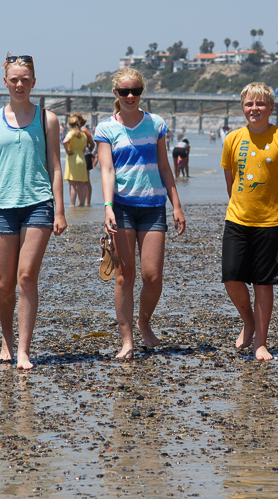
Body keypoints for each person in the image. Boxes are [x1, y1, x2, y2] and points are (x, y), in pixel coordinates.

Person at [0, 54, 66, 370]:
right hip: (3, 208)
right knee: (4, 282)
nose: (20, 84)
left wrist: (60, 210)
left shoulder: (47, 119)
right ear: (5, 83)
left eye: (25, 79)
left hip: (39, 205)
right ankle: (6, 340)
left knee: (26, 276)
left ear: (34, 82)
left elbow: (55, 166)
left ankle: (23, 349)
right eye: (14, 79)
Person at [95, 68, 185, 360]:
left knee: (153, 276)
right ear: (115, 94)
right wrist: (107, 206)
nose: (130, 96)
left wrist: (177, 205)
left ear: (141, 92)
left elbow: (164, 167)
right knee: (125, 276)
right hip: (120, 207)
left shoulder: (156, 124)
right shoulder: (105, 129)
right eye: (124, 92)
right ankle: (127, 340)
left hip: (153, 206)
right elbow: (107, 170)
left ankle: (144, 321)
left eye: (136, 91)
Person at [220, 82, 278, 362]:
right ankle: (249, 321)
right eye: (249, 104)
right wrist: (242, 206)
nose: (254, 109)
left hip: (271, 223)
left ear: (270, 107)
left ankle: (261, 343)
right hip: (237, 219)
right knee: (231, 277)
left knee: (263, 284)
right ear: (242, 107)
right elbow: (231, 181)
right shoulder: (232, 139)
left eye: (260, 104)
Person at [62, 115, 89, 207]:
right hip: (82, 159)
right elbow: (84, 149)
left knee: (73, 184)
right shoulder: (83, 134)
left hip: (73, 158)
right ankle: (82, 205)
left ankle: (72, 204)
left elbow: (65, 141)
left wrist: (67, 150)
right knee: (82, 184)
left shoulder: (71, 133)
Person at [73, 113, 96, 206]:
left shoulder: (84, 130)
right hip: (77, 156)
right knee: (78, 180)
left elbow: (92, 144)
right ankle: (80, 201)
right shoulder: (75, 130)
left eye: (76, 120)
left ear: (80, 121)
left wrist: (88, 152)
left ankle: (88, 202)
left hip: (85, 156)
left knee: (86, 180)